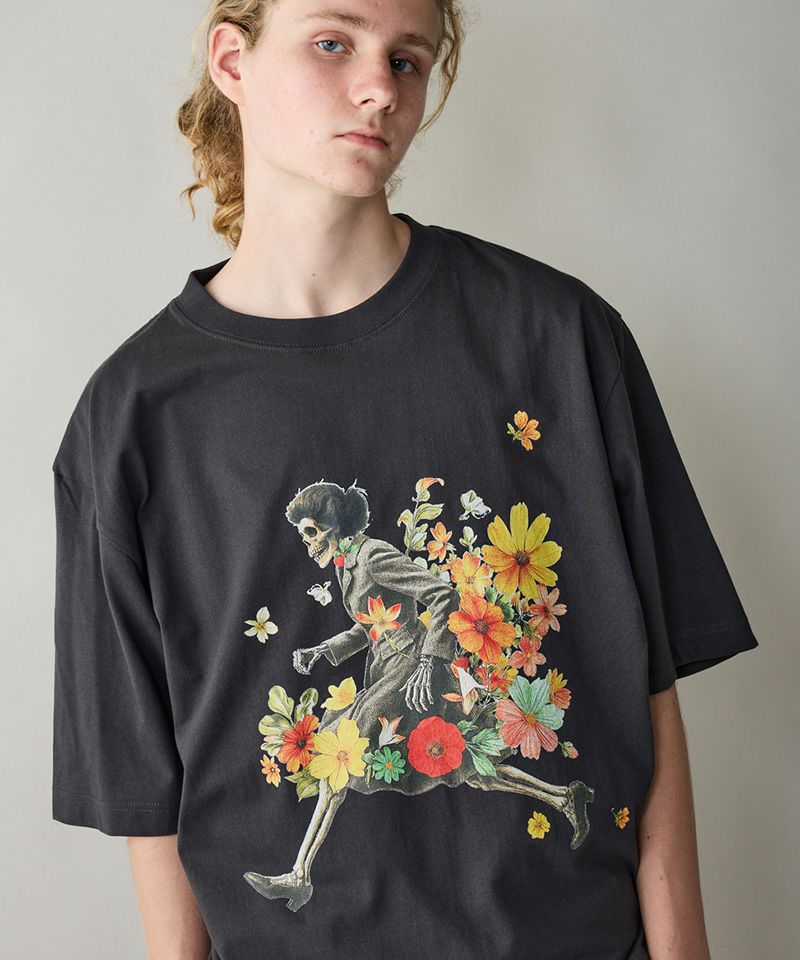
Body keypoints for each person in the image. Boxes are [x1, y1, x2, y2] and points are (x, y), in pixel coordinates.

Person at [50, 1, 759, 958]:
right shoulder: (131, 418)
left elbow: (648, 691)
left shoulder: (559, 339)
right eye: (332, 43)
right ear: (232, 59)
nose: (379, 88)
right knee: (379, 763)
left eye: (408, 59)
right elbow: (151, 796)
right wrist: (328, 651)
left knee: (370, 759)